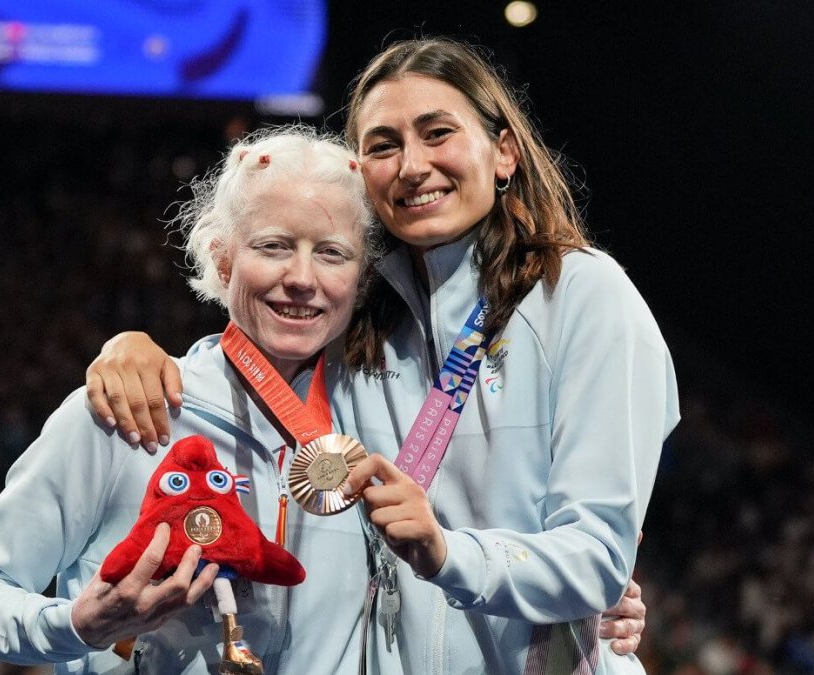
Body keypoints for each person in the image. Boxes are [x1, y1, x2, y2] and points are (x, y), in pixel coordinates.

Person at [85, 38, 673, 672]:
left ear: (504, 152)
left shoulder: (582, 294)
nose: (412, 165)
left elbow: (597, 559)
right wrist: (137, 351)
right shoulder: (365, 321)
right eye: (384, 145)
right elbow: (261, 362)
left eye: (437, 132)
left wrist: (447, 553)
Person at [0, 126, 399, 674]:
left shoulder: (377, 425)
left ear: (361, 279)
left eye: (331, 253)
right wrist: (78, 626)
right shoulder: (126, 411)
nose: (301, 277)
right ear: (222, 259)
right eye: (273, 246)